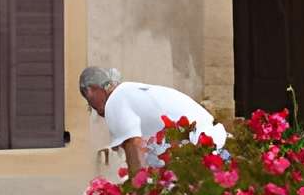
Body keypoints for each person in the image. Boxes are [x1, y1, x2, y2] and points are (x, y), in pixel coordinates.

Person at [80, 64, 225, 174]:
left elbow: (134, 148)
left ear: (91, 90)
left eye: (90, 104)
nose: (97, 113)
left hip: (201, 153)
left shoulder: (116, 100)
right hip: (216, 146)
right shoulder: (132, 91)